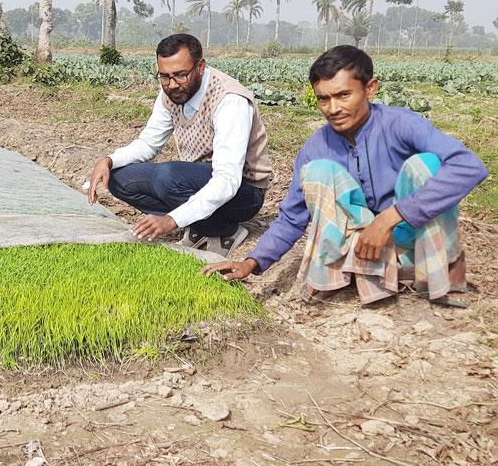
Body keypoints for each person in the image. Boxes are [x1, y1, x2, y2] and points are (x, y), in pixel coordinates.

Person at [204, 45, 488, 306]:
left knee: (426, 165)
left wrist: (392, 217)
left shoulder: (400, 123)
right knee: (318, 172)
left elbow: (469, 167)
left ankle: (436, 276)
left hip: (409, 236)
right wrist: (252, 262)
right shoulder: (316, 146)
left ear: (370, 88)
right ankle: (346, 276)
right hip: (363, 250)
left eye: (343, 95)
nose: (333, 108)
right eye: (323, 99)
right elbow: (292, 217)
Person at [87, 34, 272, 257]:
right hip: (196, 181)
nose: (172, 85)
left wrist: (172, 220)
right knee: (118, 178)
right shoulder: (172, 95)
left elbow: (227, 180)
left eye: (180, 75)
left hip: (244, 191)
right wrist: (108, 160)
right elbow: (148, 143)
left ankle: (225, 231)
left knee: (169, 177)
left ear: (200, 67)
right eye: (164, 77)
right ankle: (199, 225)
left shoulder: (229, 100)